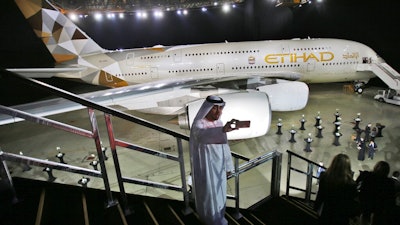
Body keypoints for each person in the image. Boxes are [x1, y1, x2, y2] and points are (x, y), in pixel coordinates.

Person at [189, 95, 238, 225]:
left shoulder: (219, 123)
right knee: (209, 196)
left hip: (220, 167)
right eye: (214, 108)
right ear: (207, 109)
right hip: (206, 168)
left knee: (220, 194)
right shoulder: (198, 124)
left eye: (220, 108)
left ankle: (219, 217)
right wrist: (222, 130)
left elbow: (224, 146)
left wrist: (228, 167)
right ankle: (209, 220)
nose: (218, 112)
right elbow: (202, 136)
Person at [314, 153, 360, 225]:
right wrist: (354, 215)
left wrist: (316, 208)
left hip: (327, 213)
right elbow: (351, 202)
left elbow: (320, 195)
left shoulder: (325, 177)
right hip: (341, 216)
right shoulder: (351, 184)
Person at [356, 161, 396, 225]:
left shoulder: (367, 176)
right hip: (380, 209)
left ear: (376, 167)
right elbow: (391, 198)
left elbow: (357, 186)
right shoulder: (389, 182)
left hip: (366, 206)